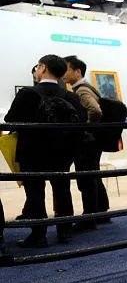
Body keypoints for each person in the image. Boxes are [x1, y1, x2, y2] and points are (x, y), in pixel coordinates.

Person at [4, 54, 86, 247]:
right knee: (62, 190)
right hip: (61, 152)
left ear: (42, 68)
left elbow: (10, 119)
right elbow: (81, 123)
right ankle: (64, 231)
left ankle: (38, 235)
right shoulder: (70, 96)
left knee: (35, 193)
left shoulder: (27, 94)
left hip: (32, 152)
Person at [64, 55, 111, 229]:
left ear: (78, 71)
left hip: (88, 142)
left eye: (67, 69)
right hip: (94, 141)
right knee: (93, 175)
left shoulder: (81, 91)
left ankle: (89, 217)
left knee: (86, 177)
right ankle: (101, 212)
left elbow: (95, 110)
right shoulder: (87, 87)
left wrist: (87, 130)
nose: (64, 73)